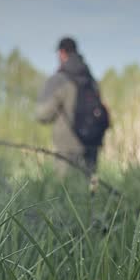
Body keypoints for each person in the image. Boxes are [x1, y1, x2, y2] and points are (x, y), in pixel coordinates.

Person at [36, 37, 109, 177]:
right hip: (92, 143)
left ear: (62, 53)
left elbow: (42, 115)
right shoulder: (91, 79)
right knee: (89, 191)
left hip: (67, 147)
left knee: (64, 191)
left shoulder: (58, 79)